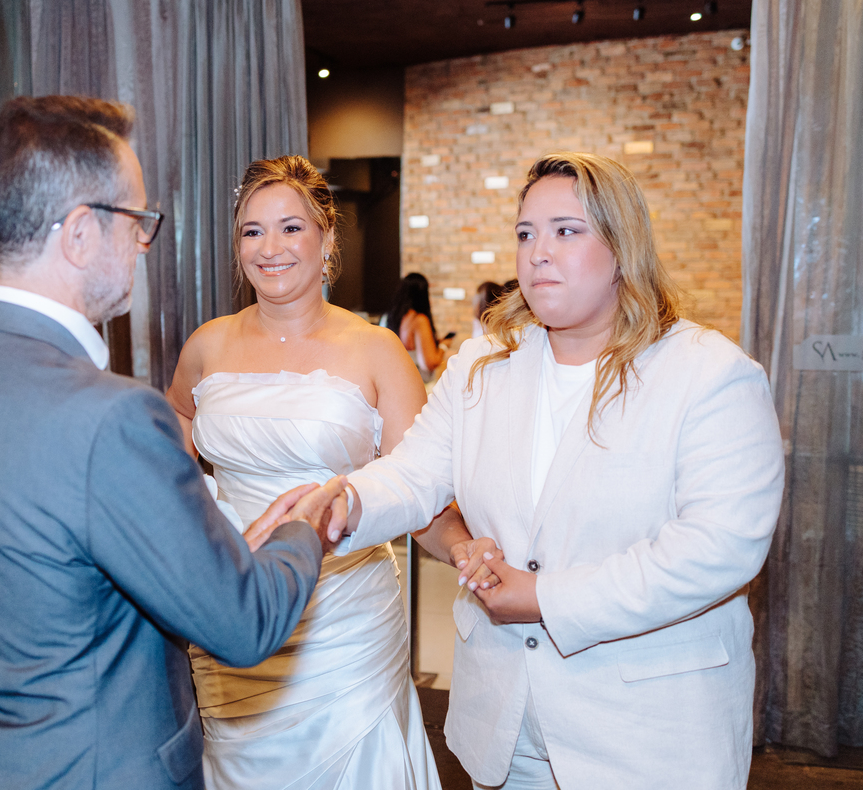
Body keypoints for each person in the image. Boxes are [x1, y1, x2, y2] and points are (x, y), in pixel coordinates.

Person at [0, 98, 346, 790]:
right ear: (80, 234)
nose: (143, 243)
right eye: (138, 222)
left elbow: (58, 579)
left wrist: (211, 559)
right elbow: (244, 623)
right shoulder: (113, 416)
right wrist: (304, 531)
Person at [330, 152, 784, 789]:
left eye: (566, 231)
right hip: (506, 723)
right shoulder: (482, 364)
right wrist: (342, 504)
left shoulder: (708, 374)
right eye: (525, 233)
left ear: (623, 246)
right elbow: (413, 475)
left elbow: (720, 547)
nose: (538, 251)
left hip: (648, 734)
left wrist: (544, 598)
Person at [166, 155, 493, 790]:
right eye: (251, 231)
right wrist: (197, 516)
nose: (270, 248)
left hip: (345, 622)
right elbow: (177, 424)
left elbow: (418, 488)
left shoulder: (377, 351)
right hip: (233, 606)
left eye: (291, 227)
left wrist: (463, 549)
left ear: (327, 238)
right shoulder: (207, 344)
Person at [384, 271, 450, 381]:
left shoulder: (388, 318)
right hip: (416, 383)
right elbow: (428, 363)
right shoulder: (419, 320)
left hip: (393, 380)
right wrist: (444, 346)